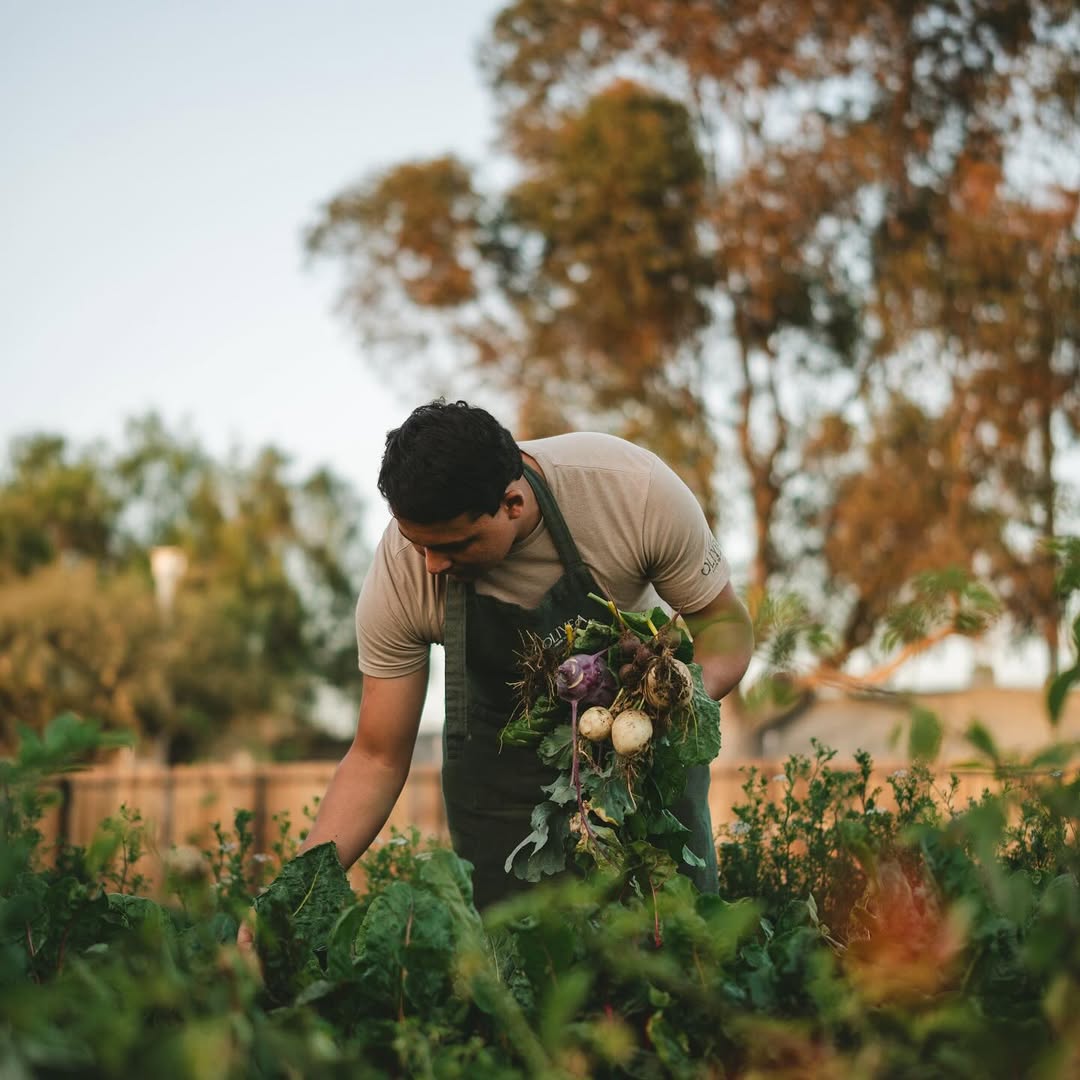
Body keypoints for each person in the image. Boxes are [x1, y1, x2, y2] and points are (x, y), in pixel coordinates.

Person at [243, 398, 754, 939]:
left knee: (671, 948)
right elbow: (375, 756)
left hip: (637, 765)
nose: (432, 565)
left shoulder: (632, 492)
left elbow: (726, 628)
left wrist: (656, 707)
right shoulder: (403, 573)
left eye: (454, 545)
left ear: (512, 503)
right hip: (501, 794)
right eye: (418, 544)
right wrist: (290, 896)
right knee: (519, 975)